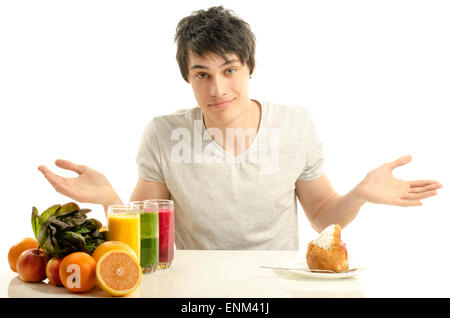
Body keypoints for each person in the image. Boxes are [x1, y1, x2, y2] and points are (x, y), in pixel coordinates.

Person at [38, 6, 442, 250]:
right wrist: (111, 199)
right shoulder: (163, 134)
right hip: (193, 292)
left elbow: (321, 216)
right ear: (187, 78)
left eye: (230, 70)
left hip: (275, 284)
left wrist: (359, 195)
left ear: (249, 67)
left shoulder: (296, 125)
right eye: (202, 74)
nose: (217, 89)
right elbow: (148, 233)